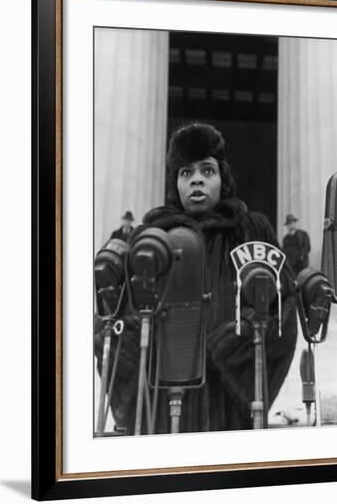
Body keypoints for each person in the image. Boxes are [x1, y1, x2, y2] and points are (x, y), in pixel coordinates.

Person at [95, 123, 298, 434]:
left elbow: (280, 309)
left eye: (207, 170)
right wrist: (148, 347)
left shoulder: (250, 230)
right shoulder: (150, 236)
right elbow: (116, 318)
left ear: (223, 179)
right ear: (175, 183)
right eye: (186, 173)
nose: (197, 179)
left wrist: (222, 348)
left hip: (226, 406)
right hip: (159, 402)